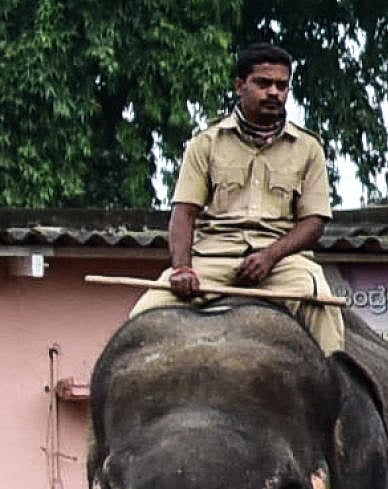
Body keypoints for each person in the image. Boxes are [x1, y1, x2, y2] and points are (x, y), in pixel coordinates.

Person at [130, 42, 344, 355]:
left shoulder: (309, 148)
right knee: (140, 319)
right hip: (212, 259)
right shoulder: (205, 144)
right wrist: (182, 269)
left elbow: (314, 223)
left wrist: (270, 256)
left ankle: (337, 398)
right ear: (240, 86)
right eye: (263, 83)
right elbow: (183, 213)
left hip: (283, 265)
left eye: (282, 85)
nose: (274, 92)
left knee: (323, 306)